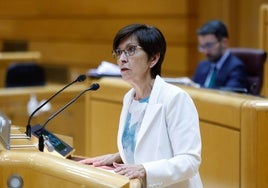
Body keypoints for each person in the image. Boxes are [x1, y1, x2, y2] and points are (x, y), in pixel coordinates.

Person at [79, 24, 202, 188]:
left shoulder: (175, 98)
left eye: (130, 50)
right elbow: (146, 146)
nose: (122, 58)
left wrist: (145, 169)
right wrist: (119, 156)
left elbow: (189, 161)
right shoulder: (129, 98)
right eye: (118, 52)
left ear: (153, 59)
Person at [192, 20, 249, 92]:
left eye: (209, 45)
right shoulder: (202, 66)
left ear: (224, 42)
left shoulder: (236, 68)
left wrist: (198, 87)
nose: (205, 51)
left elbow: (230, 95)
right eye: (202, 46)